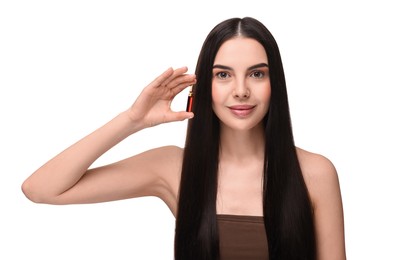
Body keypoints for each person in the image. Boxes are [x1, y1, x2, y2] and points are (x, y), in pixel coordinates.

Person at [22, 17, 346, 259]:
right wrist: (132, 120)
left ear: (275, 83)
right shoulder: (173, 166)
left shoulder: (315, 173)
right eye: (223, 75)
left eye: (257, 73)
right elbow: (41, 189)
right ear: (202, 86)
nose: (241, 90)